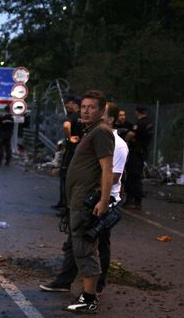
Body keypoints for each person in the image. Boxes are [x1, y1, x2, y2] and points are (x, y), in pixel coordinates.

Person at [40, 101, 128, 295]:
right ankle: (64, 280)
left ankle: (95, 288)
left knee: (98, 245)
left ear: (109, 117)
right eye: (85, 108)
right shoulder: (94, 136)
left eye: (96, 110)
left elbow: (113, 175)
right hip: (84, 199)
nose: (88, 113)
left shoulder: (118, 145)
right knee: (75, 241)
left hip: (100, 201)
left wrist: (99, 197)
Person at [61, 90, 115, 314]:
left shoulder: (101, 133)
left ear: (102, 111)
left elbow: (107, 169)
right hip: (77, 199)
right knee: (80, 246)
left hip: (86, 201)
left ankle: (89, 298)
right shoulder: (90, 132)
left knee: (85, 247)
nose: (85, 110)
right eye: (83, 106)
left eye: (91, 107)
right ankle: (87, 295)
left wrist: (103, 200)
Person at [54, 96, 82, 210]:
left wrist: (69, 137)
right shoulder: (84, 117)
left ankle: (65, 204)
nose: (66, 105)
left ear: (74, 104)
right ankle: (66, 203)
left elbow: (66, 126)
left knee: (65, 176)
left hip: (71, 150)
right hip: (81, 151)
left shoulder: (73, 116)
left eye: (68, 103)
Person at [124, 106, 154, 208]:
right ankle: (137, 200)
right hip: (142, 151)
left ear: (137, 112)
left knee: (132, 176)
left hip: (136, 152)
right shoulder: (149, 123)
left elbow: (130, 135)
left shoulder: (139, 124)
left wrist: (126, 140)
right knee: (137, 176)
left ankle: (132, 199)